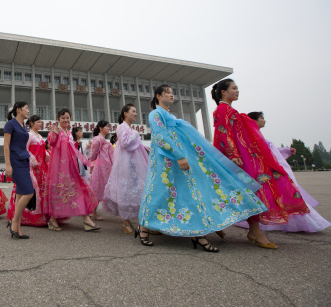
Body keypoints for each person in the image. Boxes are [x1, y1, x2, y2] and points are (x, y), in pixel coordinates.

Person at [138, 85, 266, 250]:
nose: (171, 94)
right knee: (159, 191)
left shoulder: (169, 115)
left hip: (180, 161)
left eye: (172, 92)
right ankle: (144, 227)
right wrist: (179, 156)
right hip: (167, 161)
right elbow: (161, 136)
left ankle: (198, 234)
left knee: (189, 192)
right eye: (167, 92)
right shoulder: (156, 113)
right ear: (157, 96)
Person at [212, 79, 309, 248]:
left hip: (243, 157)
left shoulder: (230, 109)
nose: (237, 91)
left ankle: (253, 231)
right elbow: (224, 133)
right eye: (234, 88)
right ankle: (230, 227)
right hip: (234, 159)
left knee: (250, 192)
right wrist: (233, 154)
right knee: (239, 192)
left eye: (237, 88)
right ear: (223, 92)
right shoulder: (222, 110)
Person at [234, 112, 330, 233]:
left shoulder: (257, 135)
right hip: (269, 172)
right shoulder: (250, 137)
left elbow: (271, 150)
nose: (264, 120)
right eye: (262, 118)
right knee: (285, 195)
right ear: (253, 121)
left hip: (273, 171)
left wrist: (286, 150)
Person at [46, 108, 99, 231]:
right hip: (58, 169)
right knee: (57, 192)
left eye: (67, 117)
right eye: (63, 117)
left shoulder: (69, 133)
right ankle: (52, 220)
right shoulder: (55, 131)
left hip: (71, 168)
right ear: (58, 120)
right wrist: (55, 134)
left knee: (80, 189)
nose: (65, 120)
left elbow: (71, 149)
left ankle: (87, 219)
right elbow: (52, 143)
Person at [103, 104, 148, 235]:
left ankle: (141, 222)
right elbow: (126, 142)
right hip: (125, 164)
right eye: (133, 111)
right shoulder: (122, 127)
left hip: (133, 164)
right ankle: (126, 221)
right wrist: (135, 134)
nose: (136, 114)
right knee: (126, 190)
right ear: (125, 114)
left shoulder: (129, 128)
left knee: (135, 190)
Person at [7, 115, 51, 226]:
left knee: (39, 190)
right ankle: (27, 217)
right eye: (38, 122)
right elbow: (25, 149)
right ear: (31, 123)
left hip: (41, 168)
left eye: (41, 122)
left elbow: (42, 149)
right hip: (32, 167)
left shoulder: (40, 136)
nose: (40, 124)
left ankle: (40, 216)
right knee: (28, 191)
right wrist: (33, 161)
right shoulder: (29, 135)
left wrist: (46, 154)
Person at [4, 101, 34, 239]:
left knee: (20, 195)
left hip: (24, 161)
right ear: (18, 109)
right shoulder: (10, 124)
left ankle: (18, 228)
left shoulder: (24, 126)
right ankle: (14, 221)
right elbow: (6, 145)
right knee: (29, 192)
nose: (28, 111)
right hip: (15, 162)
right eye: (26, 108)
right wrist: (8, 165)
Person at [88, 120, 114, 221]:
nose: (108, 128)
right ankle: (93, 211)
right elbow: (94, 153)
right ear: (100, 128)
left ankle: (93, 211)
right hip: (100, 167)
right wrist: (91, 166)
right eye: (106, 126)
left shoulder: (102, 139)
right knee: (97, 188)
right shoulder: (98, 139)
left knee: (100, 188)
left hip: (105, 167)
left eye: (109, 126)